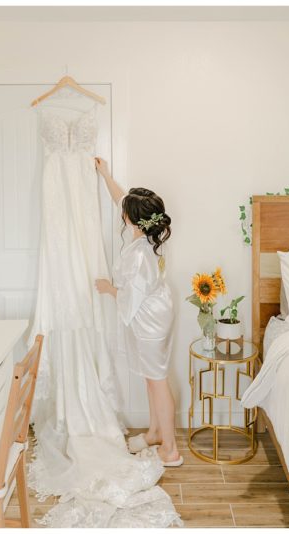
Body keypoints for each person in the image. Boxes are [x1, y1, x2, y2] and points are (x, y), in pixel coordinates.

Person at [94, 157, 182, 466]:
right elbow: (122, 198)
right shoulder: (146, 235)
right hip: (157, 310)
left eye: (124, 212)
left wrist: (107, 289)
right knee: (151, 377)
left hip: (151, 319)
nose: (120, 212)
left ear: (132, 220)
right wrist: (105, 173)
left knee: (157, 380)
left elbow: (130, 297)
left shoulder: (140, 255)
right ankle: (156, 431)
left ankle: (169, 449)